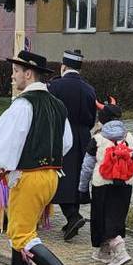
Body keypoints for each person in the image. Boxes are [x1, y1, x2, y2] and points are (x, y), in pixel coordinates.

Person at [0, 51, 81, 265]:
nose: (12, 76)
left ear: (28, 73)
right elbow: (67, 142)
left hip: (28, 177)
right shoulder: (57, 105)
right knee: (21, 226)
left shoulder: (23, 105)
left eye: (16, 71)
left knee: (22, 233)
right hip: (51, 176)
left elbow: (5, 142)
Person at [78, 99, 133, 265]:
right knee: (116, 217)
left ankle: (120, 252)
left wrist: (82, 188)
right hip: (125, 185)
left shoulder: (97, 139)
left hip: (102, 185)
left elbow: (87, 167)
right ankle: (103, 252)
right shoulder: (129, 138)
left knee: (101, 218)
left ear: (102, 119)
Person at [48, 48, 96, 241]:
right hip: (83, 137)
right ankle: (72, 217)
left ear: (63, 66)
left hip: (62, 137)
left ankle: (73, 216)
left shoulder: (55, 86)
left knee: (62, 177)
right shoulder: (89, 89)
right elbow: (92, 118)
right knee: (78, 176)